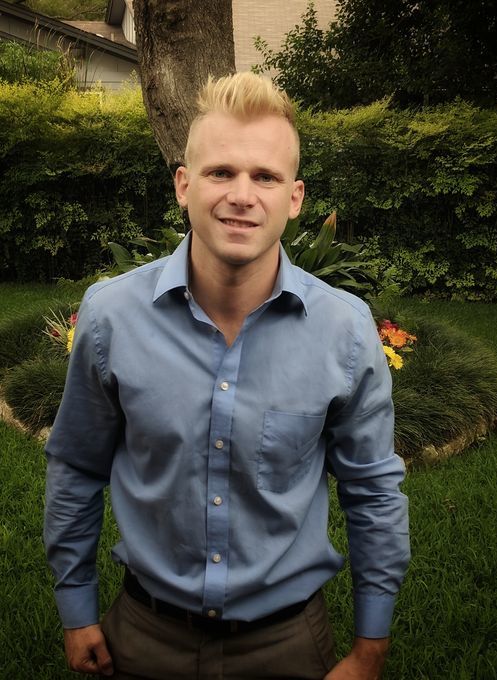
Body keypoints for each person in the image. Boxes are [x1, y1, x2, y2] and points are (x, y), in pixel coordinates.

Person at [44, 72, 410, 680]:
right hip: (143, 639)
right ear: (184, 186)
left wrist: (370, 646)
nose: (243, 195)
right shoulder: (112, 317)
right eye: (221, 172)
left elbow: (372, 492)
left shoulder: (344, 331)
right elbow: (77, 467)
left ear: (294, 198)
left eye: (265, 176)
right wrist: (76, 609)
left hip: (291, 645)